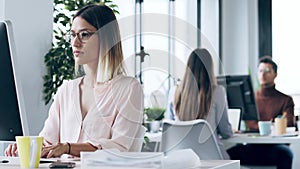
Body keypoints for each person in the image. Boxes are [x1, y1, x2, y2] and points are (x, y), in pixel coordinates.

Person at [5, 4, 143, 158]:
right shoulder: (67, 90)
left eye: (84, 34)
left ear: (106, 38)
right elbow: (48, 142)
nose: (75, 43)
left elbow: (119, 147)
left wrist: (68, 147)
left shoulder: (129, 88)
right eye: (72, 35)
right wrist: (26, 145)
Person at [227, 56, 294, 169]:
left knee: (286, 154)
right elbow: (249, 122)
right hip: (252, 147)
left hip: (276, 147)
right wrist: (271, 124)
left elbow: (288, 124)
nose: (263, 74)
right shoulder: (249, 98)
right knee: (226, 155)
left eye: (267, 71)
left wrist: (260, 125)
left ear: (275, 74)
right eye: (260, 71)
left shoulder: (285, 100)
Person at [173, 48, 233, 159]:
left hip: (185, 160)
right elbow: (226, 131)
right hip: (213, 160)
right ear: (210, 68)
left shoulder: (176, 92)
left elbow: (173, 125)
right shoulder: (217, 91)